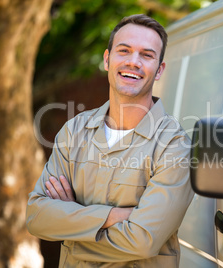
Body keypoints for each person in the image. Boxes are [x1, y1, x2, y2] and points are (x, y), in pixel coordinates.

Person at [26, 14, 194, 267]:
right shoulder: (74, 131)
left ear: (159, 70)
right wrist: (117, 216)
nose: (133, 62)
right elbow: (37, 217)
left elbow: (142, 241)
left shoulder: (174, 145)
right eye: (124, 50)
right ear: (107, 59)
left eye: (146, 55)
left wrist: (70, 225)